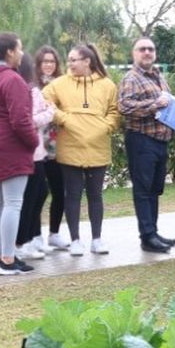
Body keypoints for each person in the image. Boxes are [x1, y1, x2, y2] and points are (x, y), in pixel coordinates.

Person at [43, 43, 121, 256]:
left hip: (98, 146)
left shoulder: (107, 85)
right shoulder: (60, 83)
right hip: (70, 146)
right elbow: (42, 99)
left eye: (73, 60)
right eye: (68, 60)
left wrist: (106, 126)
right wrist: (63, 118)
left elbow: (115, 112)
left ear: (87, 61)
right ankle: (75, 239)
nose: (69, 64)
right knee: (73, 194)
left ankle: (97, 239)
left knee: (96, 194)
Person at [0, 32, 40, 275]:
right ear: (10, 52)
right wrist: (33, 142)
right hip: (11, 144)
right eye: (20, 49)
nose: (22, 54)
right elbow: (21, 120)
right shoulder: (12, 80)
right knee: (12, 203)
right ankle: (8, 258)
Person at [118, 34, 175, 254]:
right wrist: (154, 105)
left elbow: (166, 105)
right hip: (141, 140)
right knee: (143, 190)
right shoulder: (131, 78)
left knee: (155, 189)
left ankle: (153, 232)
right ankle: (147, 236)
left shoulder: (158, 77)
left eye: (150, 49)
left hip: (160, 140)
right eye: (142, 49)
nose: (147, 53)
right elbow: (124, 107)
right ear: (134, 54)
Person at [13, 51, 57, 260]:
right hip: (32, 151)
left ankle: (30, 238)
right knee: (31, 196)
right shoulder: (29, 90)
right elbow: (30, 120)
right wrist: (50, 113)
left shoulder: (28, 89)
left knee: (38, 193)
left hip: (37, 151)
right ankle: (22, 241)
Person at [28, 46, 67, 250]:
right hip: (37, 145)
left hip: (58, 144)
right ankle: (35, 235)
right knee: (37, 192)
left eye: (52, 61)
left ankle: (55, 232)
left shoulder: (64, 84)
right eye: (45, 61)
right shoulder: (32, 86)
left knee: (59, 191)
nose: (49, 65)